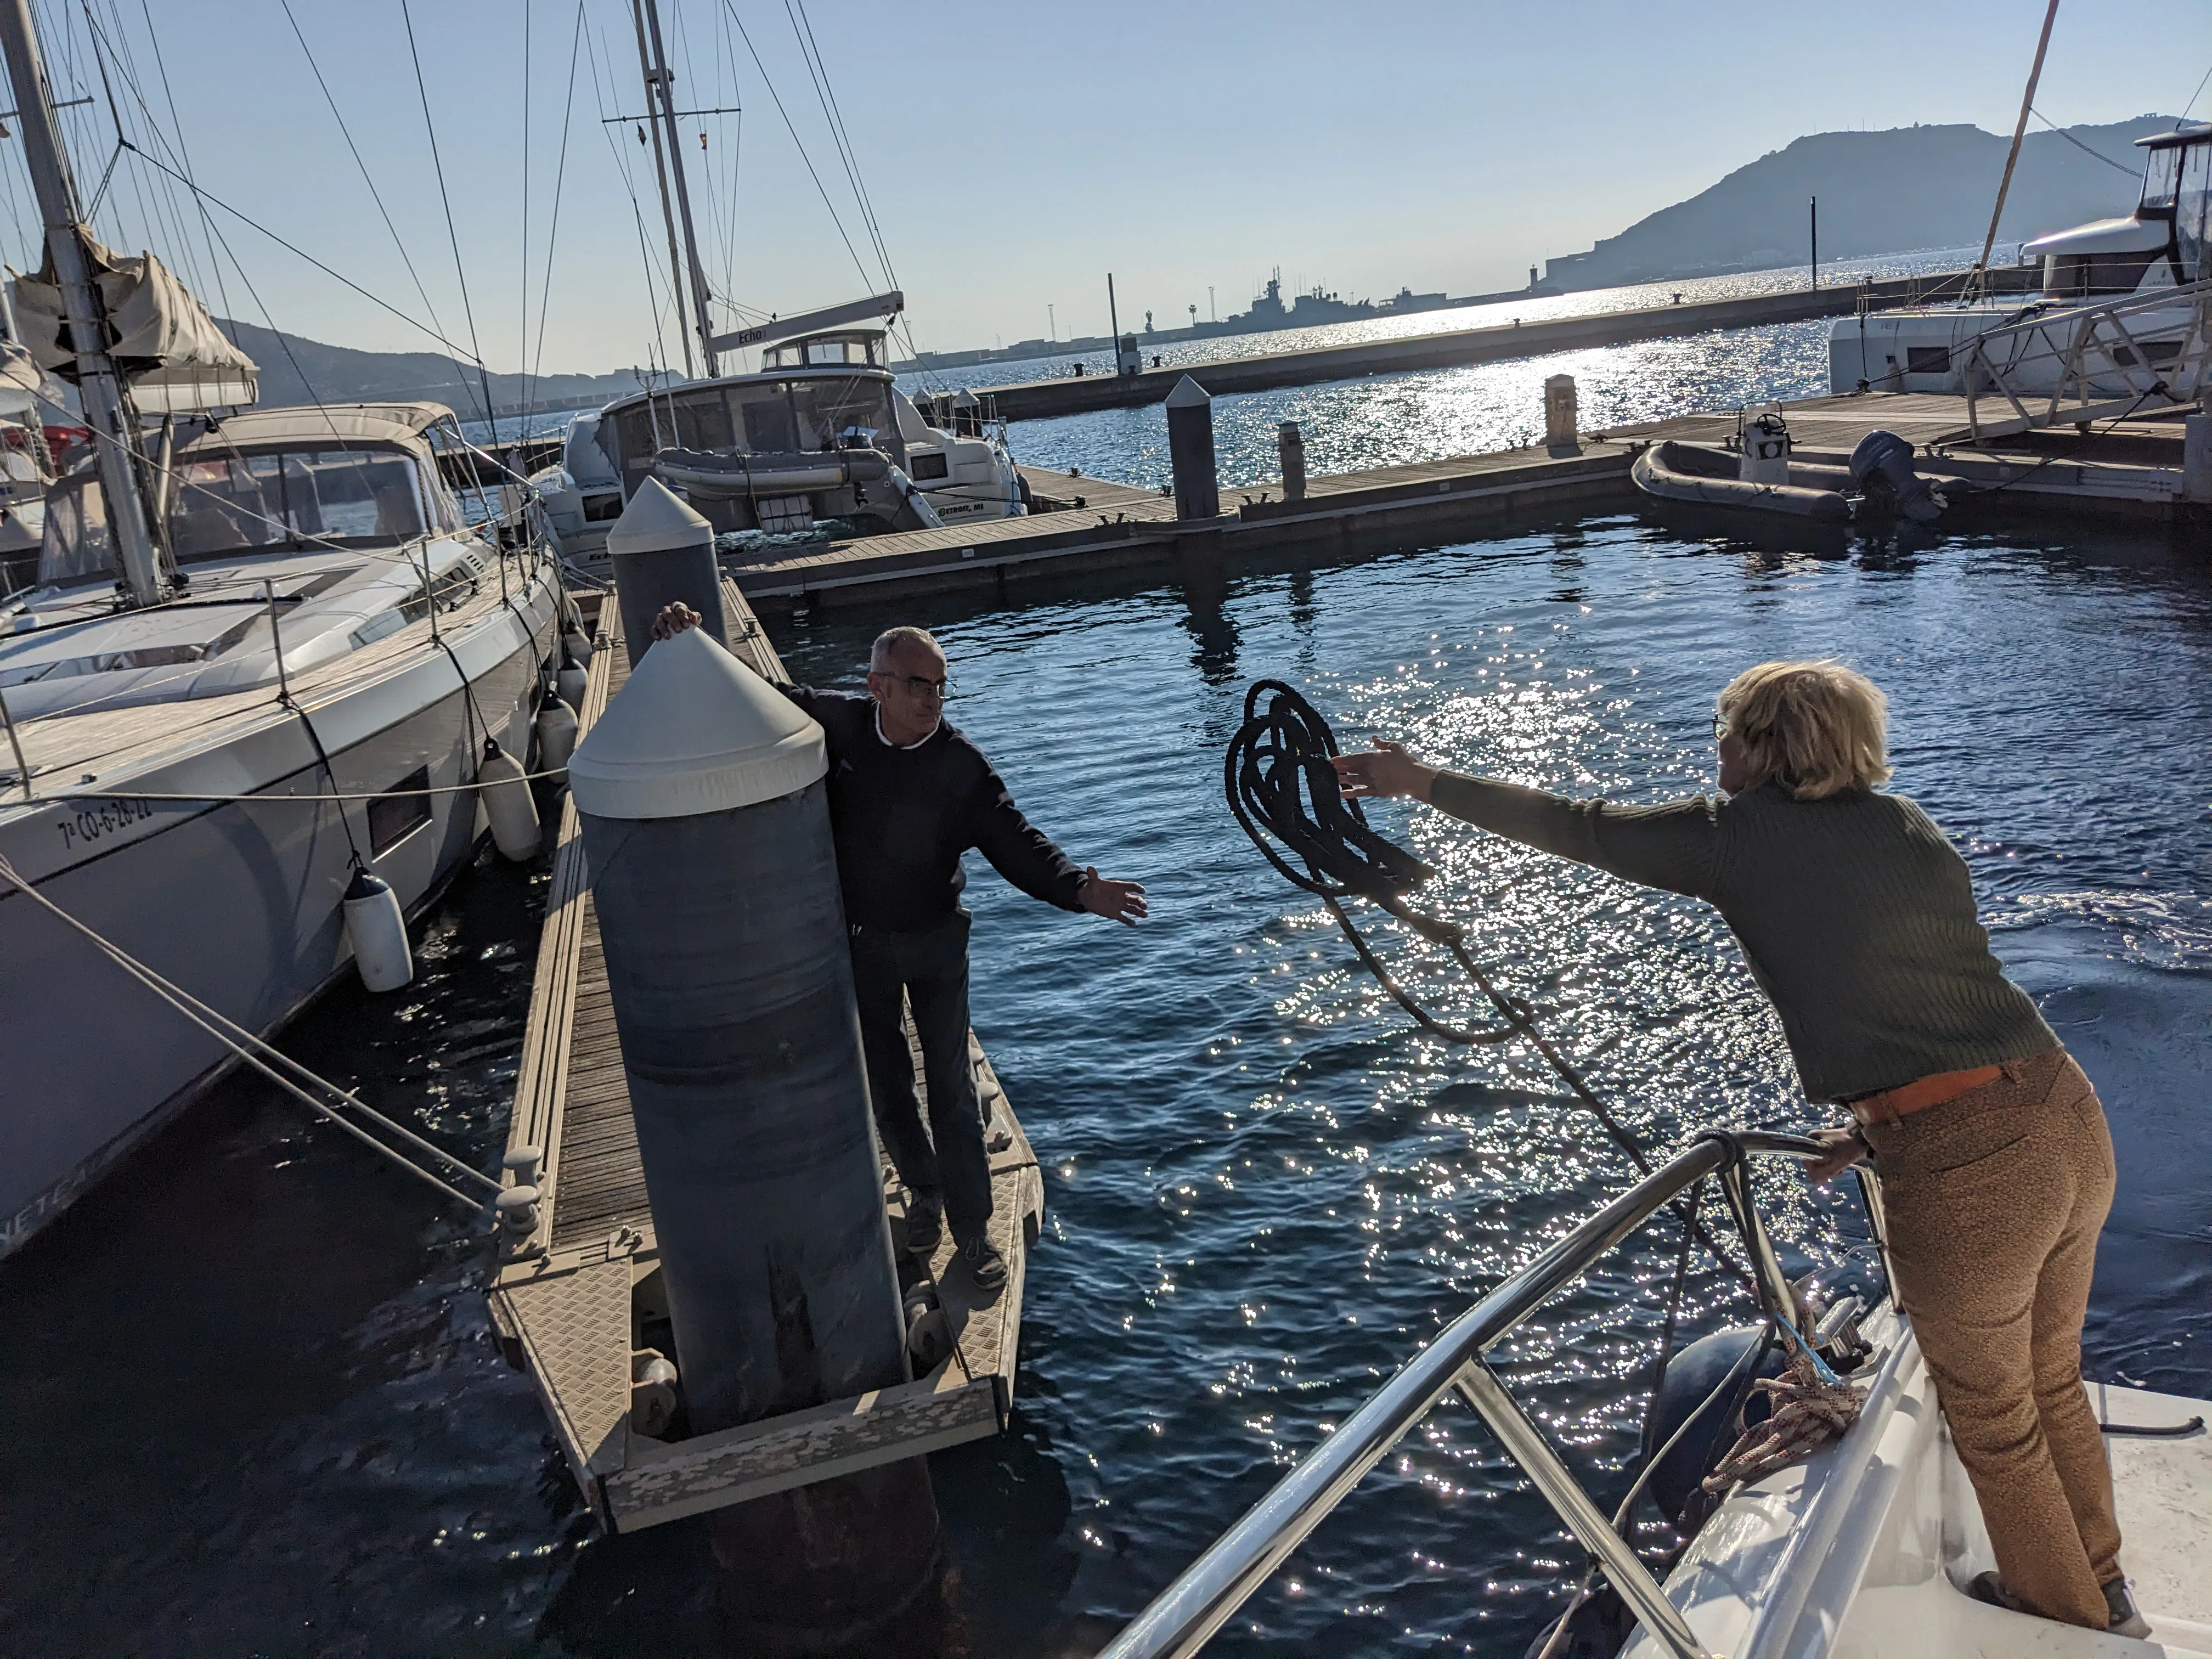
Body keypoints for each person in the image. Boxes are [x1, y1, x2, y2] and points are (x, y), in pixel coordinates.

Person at [1330, 658, 2142, 1637]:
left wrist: (1420, 782)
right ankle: (2101, 1582)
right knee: (2051, 1378)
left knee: (1997, 1421)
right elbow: (1921, 986)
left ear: (1762, 745)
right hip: (2059, 1110)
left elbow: (1580, 827)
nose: (1714, 747)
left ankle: (2069, 1624)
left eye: (1725, 731)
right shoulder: (1905, 824)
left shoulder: (1736, 838)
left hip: (1966, 1164)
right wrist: (1875, 1127)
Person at [651, 604, 1146, 1291]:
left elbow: (1015, 840)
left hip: (937, 942)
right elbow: (760, 692)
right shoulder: (841, 723)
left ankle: (972, 1229)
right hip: (860, 945)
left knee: (952, 1086)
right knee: (887, 1084)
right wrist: (695, 640)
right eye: (918, 685)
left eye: (940, 686)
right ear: (877, 686)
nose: (932, 699)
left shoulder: (961, 765)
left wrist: (1080, 890)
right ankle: (924, 1192)